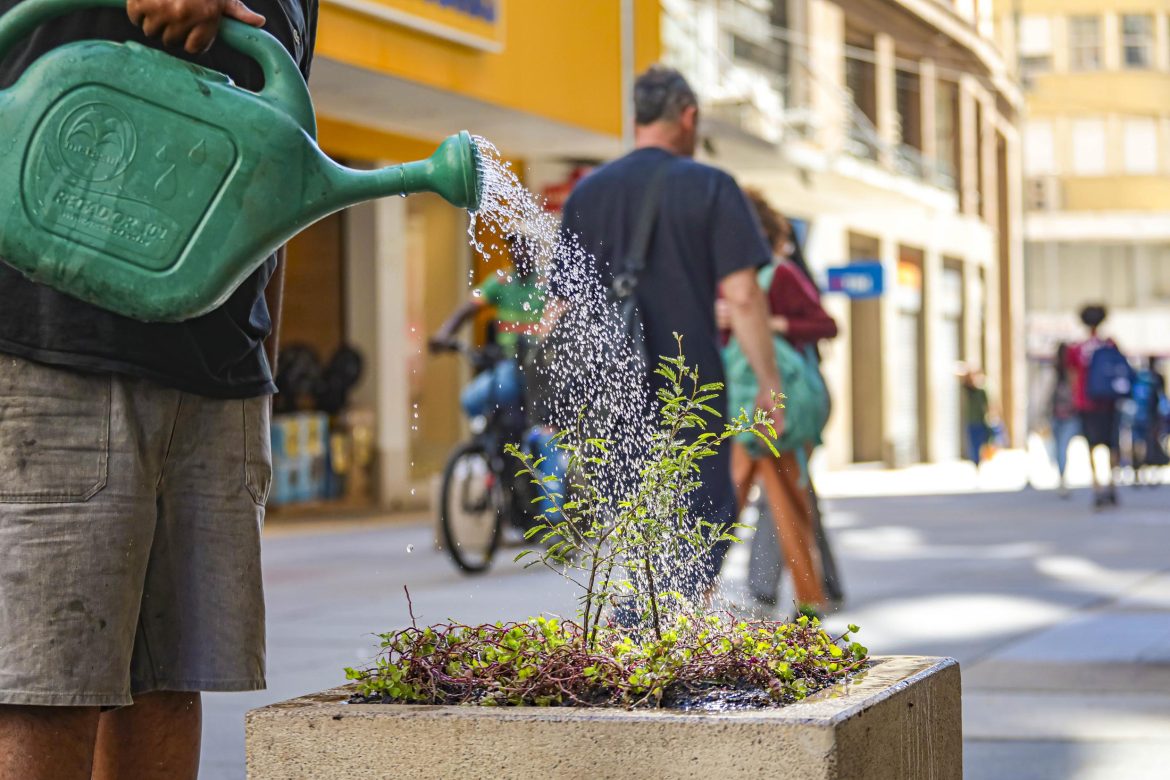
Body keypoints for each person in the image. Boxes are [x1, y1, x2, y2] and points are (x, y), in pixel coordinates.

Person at [0, 1, 315, 778]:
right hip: (58, 341)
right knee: (49, 687)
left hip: (216, 362)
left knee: (170, 681)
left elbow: (276, 156)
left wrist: (258, 361)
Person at [555, 65, 783, 595]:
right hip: (688, 385)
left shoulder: (588, 194)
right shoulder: (711, 186)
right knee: (703, 516)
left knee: (636, 528)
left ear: (637, 118)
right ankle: (661, 638)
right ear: (688, 116)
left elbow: (562, 308)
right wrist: (770, 382)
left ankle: (643, 634)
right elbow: (744, 296)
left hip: (611, 391)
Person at [718, 190, 836, 616]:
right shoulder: (723, 280)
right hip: (736, 405)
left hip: (773, 402)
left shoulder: (779, 276)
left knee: (781, 503)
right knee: (750, 503)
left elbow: (826, 324)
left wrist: (766, 324)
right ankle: (810, 600)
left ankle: (809, 601)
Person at [1066, 304, 1125, 508]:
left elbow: (1073, 376)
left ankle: (1097, 486)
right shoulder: (1109, 344)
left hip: (1086, 402)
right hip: (1109, 401)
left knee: (1091, 445)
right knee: (1112, 444)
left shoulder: (1077, 348)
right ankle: (1112, 484)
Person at [1049, 343, 1081, 497]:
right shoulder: (1061, 372)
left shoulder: (1066, 372)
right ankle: (1062, 478)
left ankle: (1062, 478)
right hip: (1063, 415)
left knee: (1060, 447)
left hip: (1066, 415)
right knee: (1059, 447)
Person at [961, 368, 991, 469]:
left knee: (981, 444)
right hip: (971, 422)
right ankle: (976, 462)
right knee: (973, 445)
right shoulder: (969, 390)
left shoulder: (982, 391)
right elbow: (959, 377)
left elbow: (988, 406)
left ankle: (980, 461)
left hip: (981, 422)